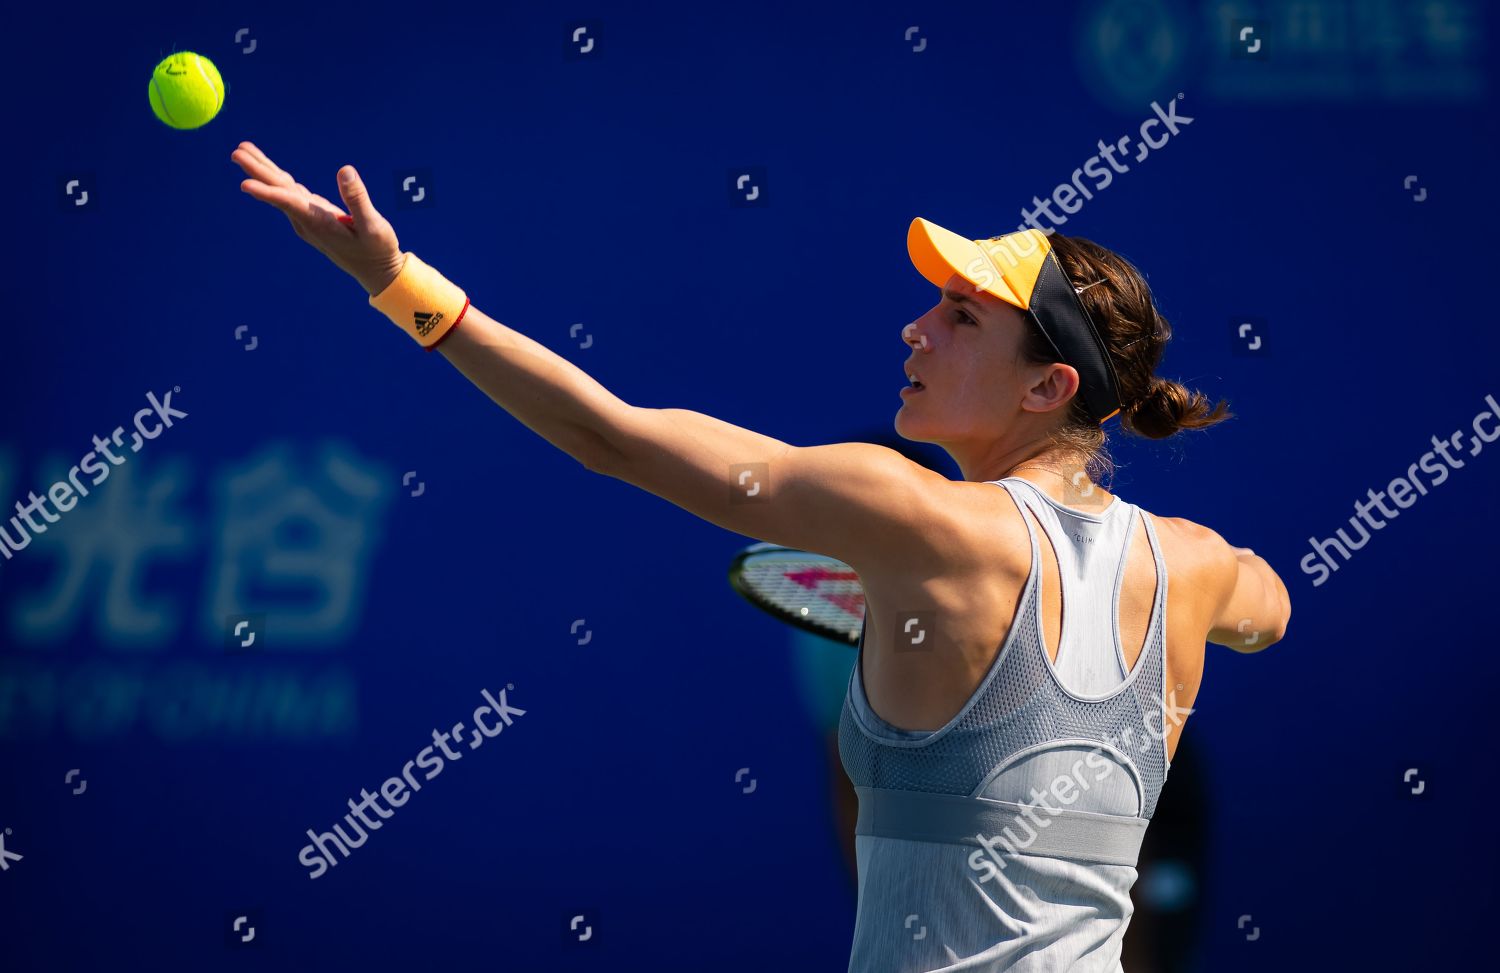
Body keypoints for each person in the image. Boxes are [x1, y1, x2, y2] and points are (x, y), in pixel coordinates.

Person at [233, 143, 1292, 971]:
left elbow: (610, 435)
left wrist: (394, 279)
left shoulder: (910, 515)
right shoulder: (1194, 565)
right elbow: (1270, 605)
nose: (916, 330)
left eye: (960, 317)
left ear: (1047, 387)